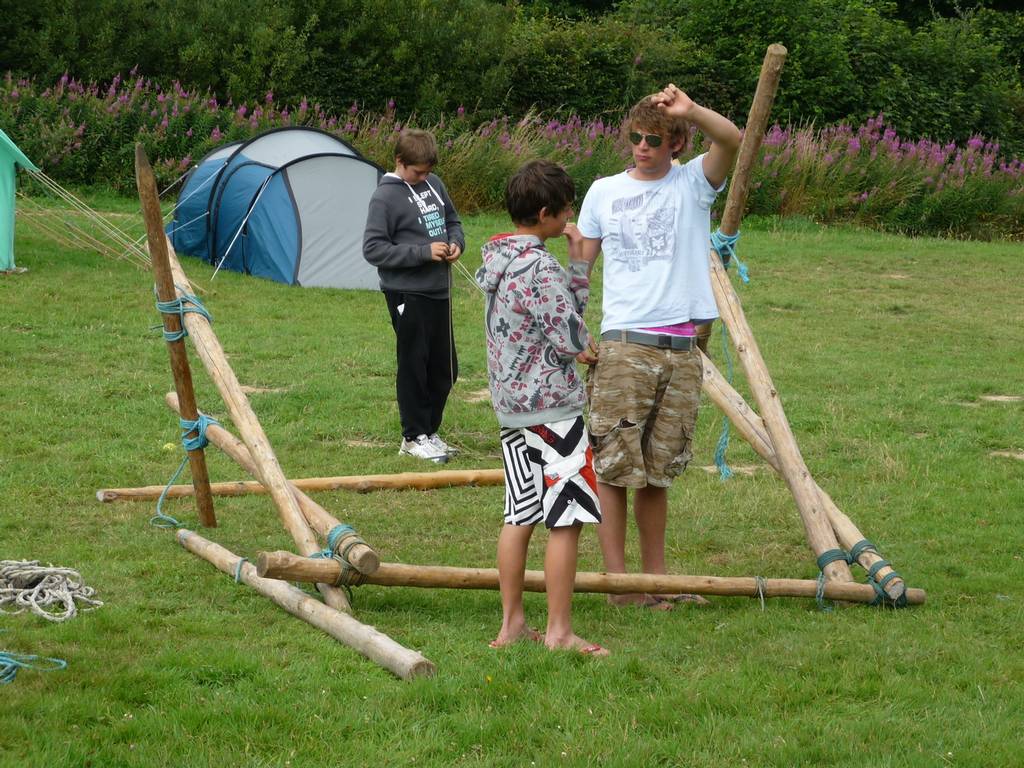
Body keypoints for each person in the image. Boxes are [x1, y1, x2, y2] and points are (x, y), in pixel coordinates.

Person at [577, 84, 741, 609]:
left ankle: (655, 582)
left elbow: (733, 140)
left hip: (681, 349)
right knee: (614, 469)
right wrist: (573, 327)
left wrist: (690, 109)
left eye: (654, 139)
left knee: (658, 472)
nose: (642, 147)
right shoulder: (602, 191)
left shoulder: (694, 183)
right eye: (635, 138)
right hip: (624, 346)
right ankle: (619, 587)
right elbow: (582, 264)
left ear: (676, 143)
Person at [476, 159, 607, 655]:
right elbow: (571, 333)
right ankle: (560, 633)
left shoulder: (498, 259)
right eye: (566, 210)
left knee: (519, 514)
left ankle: (511, 626)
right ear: (547, 213)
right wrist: (579, 267)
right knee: (566, 518)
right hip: (552, 409)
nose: (570, 217)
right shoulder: (540, 266)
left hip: (512, 410)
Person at [363, 129, 465, 463]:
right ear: (400, 161)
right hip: (407, 293)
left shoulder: (435, 184)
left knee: (445, 368)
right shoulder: (384, 197)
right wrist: (422, 252)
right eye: (417, 172)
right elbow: (373, 248)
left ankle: (429, 432)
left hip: (439, 291)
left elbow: (452, 220)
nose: (424, 177)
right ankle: (413, 436)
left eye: (427, 171)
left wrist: (455, 243)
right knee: (414, 366)